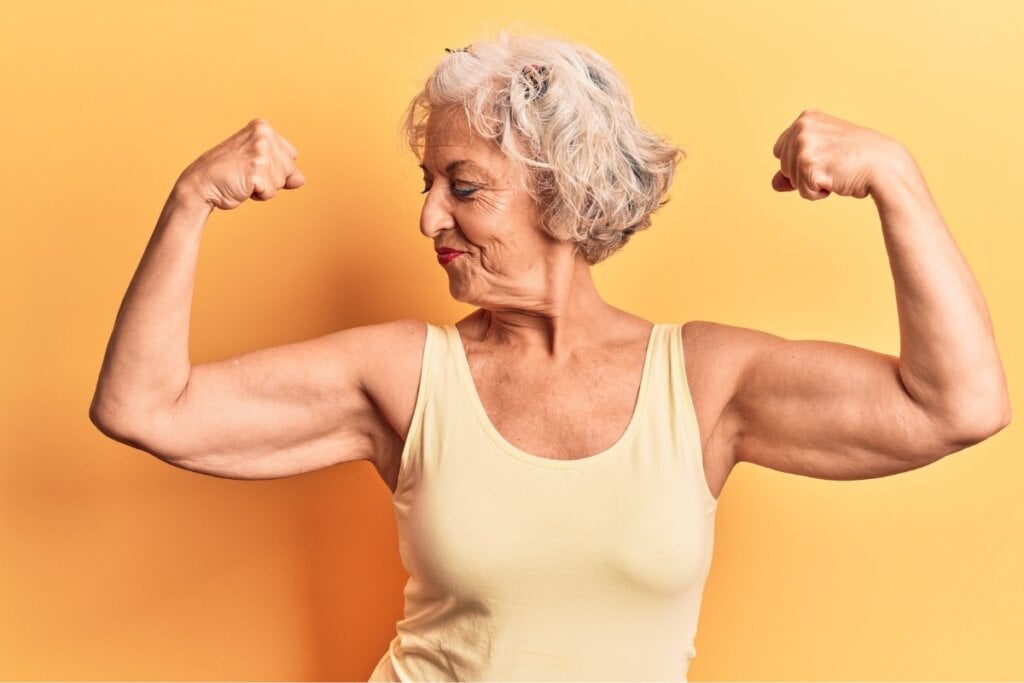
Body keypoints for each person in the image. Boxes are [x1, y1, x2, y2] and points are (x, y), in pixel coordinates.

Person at [89, 31, 1010, 683]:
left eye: (465, 188)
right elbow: (144, 407)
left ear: (563, 195)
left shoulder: (703, 385)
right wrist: (190, 200)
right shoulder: (407, 376)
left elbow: (956, 405)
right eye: (428, 184)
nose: (428, 216)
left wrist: (896, 176)